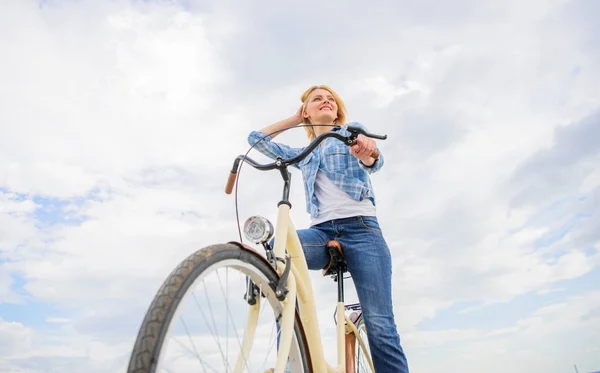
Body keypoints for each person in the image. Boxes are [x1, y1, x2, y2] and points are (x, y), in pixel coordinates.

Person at [247, 85, 409, 373]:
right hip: (321, 234)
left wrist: (366, 149)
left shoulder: (349, 134)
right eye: (317, 99)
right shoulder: (305, 153)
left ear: (338, 112)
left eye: (331, 99)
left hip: (362, 231)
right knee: (279, 250)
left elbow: (374, 159)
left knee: (380, 324)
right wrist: (294, 121)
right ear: (307, 111)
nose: (326, 101)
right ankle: (293, 361)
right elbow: (255, 139)